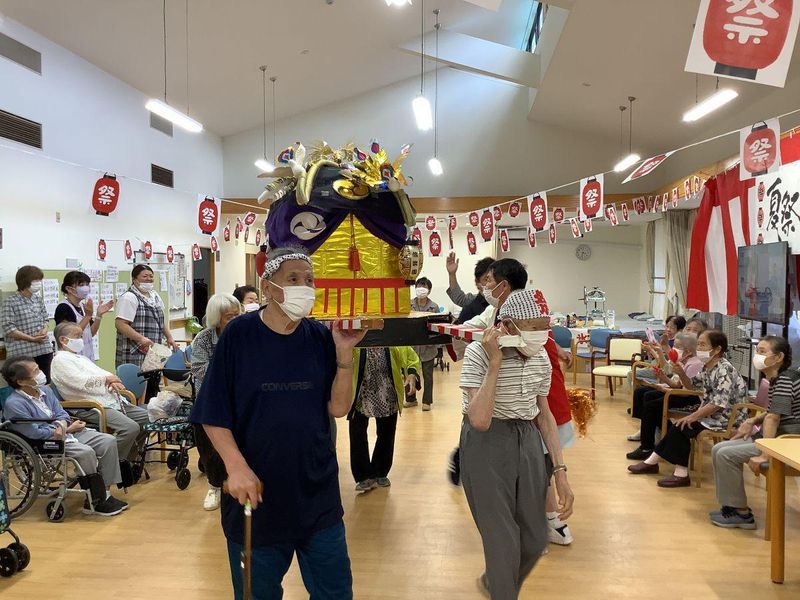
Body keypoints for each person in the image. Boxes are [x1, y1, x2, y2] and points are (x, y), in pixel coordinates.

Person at [190, 247, 367, 600]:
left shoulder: (319, 337)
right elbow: (212, 412)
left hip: (316, 491)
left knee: (335, 592)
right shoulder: (239, 336)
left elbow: (338, 407)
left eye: (309, 280)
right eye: (293, 279)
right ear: (268, 287)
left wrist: (344, 353)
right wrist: (236, 467)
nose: (305, 287)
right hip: (256, 495)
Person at [460, 289, 574, 598]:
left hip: (527, 437)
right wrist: (495, 363)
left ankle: (496, 583)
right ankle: (502, 589)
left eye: (544, 326)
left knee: (535, 538)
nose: (541, 334)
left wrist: (560, 473)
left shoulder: (541, 357)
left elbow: (544, 415)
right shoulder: (478, 353)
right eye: (534, 327)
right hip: (486, 441)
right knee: (502, 540)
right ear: (508, 325)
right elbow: (479, 420)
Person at [1, 356, 127, 516]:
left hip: (66, 433)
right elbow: (33, 432)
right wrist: (63, 430)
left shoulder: (45, 391)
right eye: (35, 371)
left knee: (108, 441)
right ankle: (94, 500)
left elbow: (62, 414)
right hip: (45, 441)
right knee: (86, 452)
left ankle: (104, 494)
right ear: (21, 381)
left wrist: (65, 427)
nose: (41, 373)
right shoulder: (15, 403)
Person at [628, 330, 747, 487]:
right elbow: (692, 386)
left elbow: (718, 403)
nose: (699, 349)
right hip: (713, 415)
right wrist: (681, 373)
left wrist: (692, 416)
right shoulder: (707, 367)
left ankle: (669, 468)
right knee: (680, 425)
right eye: (698, 345)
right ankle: (661, 465)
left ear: (717, 349)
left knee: (683, 425)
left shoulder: (725, 370)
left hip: (727, 418)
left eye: (703, 345)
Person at [710, 335, 800, 529]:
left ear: (779, 357)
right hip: (777, 437)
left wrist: (764, 454)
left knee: (725, 454)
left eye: (762, 351)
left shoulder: (786, 379)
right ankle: (731, 506)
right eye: (757, 351)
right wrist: (752, 419)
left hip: (786, 441)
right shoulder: (778, 378)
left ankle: (741, 514)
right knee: (718, 449)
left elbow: (773, 418)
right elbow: (774, 411)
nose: (757, 356)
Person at [50, 321, 150, 463]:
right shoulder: (59, 360)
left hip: (109, 400)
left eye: (81, 336)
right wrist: (106, 379)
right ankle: (112, 463)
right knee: (130, 428)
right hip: (88, 405)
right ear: (63, 340)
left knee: (148, 418)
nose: (81, 340)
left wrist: (112, 380)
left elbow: (102, 373)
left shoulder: (80, 358)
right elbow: (77, 381)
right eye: (77, 336)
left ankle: (129, 460)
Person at [191, 293, 243, 511]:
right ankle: (214, 486)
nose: (235, 320)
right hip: (211, 398)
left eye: (237, 315)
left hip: (239, 397)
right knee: (209, 442)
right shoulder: (204, 339)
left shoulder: (244, 334)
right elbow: (199, 369)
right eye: (229, 317)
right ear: (216, 319)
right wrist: (228, 372)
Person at [349, 346, 419, 492]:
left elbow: (410, 356)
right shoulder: (356, 339)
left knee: (386, 434)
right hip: (360, 394)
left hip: (387, 393)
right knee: (357, 434)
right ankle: (363, 475)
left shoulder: (392, 339)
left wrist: (412, 374)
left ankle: (380, 471)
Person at [627, 332, 704, 457]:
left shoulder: (694, 364)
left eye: (677, 347)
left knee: (651, 405)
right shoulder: (684, 362)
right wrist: (663, 378)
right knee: (644, 394)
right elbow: (677, 385)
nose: (673, 349)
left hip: (691, 399)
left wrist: (663, 389)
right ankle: (661, 434)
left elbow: (686, 392)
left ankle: (647, 447)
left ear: (688, 351)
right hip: (680, 393)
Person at [115, 264, 179, 400]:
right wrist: (141, 339)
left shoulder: (154, 296)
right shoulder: (129, 297)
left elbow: (160, 320)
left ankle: (150, 409)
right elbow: (120, 324)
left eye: (151, 276)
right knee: (135, 387)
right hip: (133, 351)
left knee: (152, 386)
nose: (149, 279)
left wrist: (169, 337)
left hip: (153, 351)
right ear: (134, 279)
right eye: (144, 276)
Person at [2, 265, 53, 382]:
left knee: (46, 382)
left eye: (40, 280)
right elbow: (9, 329)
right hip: (22, 352)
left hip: (43, 349)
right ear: (25, 281)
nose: (39, 283)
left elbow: (45, 319)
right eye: (36, 280)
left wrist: (44, 330)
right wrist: (32, 339)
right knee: (27, 384)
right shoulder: (10, 302)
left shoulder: (38, 299)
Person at [54, 270, 114, 361]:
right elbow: (70, 336)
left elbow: (91, 333)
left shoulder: (83, 306)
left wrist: (98, 315)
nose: (85, 288)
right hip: (72, 358)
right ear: (69, 289)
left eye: (87, 284)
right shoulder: (63, 308)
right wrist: (88, 316)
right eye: (81, 285)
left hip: (87, 355)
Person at [406, 277, 439, 411]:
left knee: (428, 376)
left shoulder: (434, 307)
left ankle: (427, 401)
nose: (421, 288)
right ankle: (410, 399)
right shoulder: (408, 304)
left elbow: (438, 326)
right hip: (412, 346)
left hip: (428, 347)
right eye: (419, 285)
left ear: (429, 290)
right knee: (409, 373)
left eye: (424, 286)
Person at [446, 252, 493, 324]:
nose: (491, 284)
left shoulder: (505, 302)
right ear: (477, 282)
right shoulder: (472, 303)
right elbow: (460, 298)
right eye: (487, 279)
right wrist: (452, 274)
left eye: (495, 279)